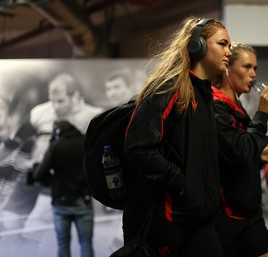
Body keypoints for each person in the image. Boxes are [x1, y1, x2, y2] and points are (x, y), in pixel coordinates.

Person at [123, 17, 232, 257]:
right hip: (167, 219)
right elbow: (138, 148)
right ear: (198, 46)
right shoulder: (169, 88)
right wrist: (180, 184)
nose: (228, 52)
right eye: (223, 44)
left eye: (230, 46)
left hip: (197, 218)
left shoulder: (205, 95)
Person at [0, 72, 102, 234]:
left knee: (35, 226)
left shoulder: (94, 117)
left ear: (75, 96)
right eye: (52, 100)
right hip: (33, 173)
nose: (55, 106)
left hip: (61, 181)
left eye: (61, 101)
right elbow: (13, 143)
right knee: (9, 221)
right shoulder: (39, 112)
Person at [212, 42, 268, 257]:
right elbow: (239, 153)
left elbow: (240, 156)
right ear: (227, 69)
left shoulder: (237, 107)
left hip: (249, 214)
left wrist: (259, 157)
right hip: (226, 217)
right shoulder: (216, 107)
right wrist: (262, 114)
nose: (252, 75)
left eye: (255, 69)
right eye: (246, 67)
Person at [34, 120, 94, 257]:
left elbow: (39, 175)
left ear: (58, 132)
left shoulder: (55, 146)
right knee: (86, 242)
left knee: (63, 243)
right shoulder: (85, 143)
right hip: (83, 200)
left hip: (60, 201)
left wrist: (53, 182)